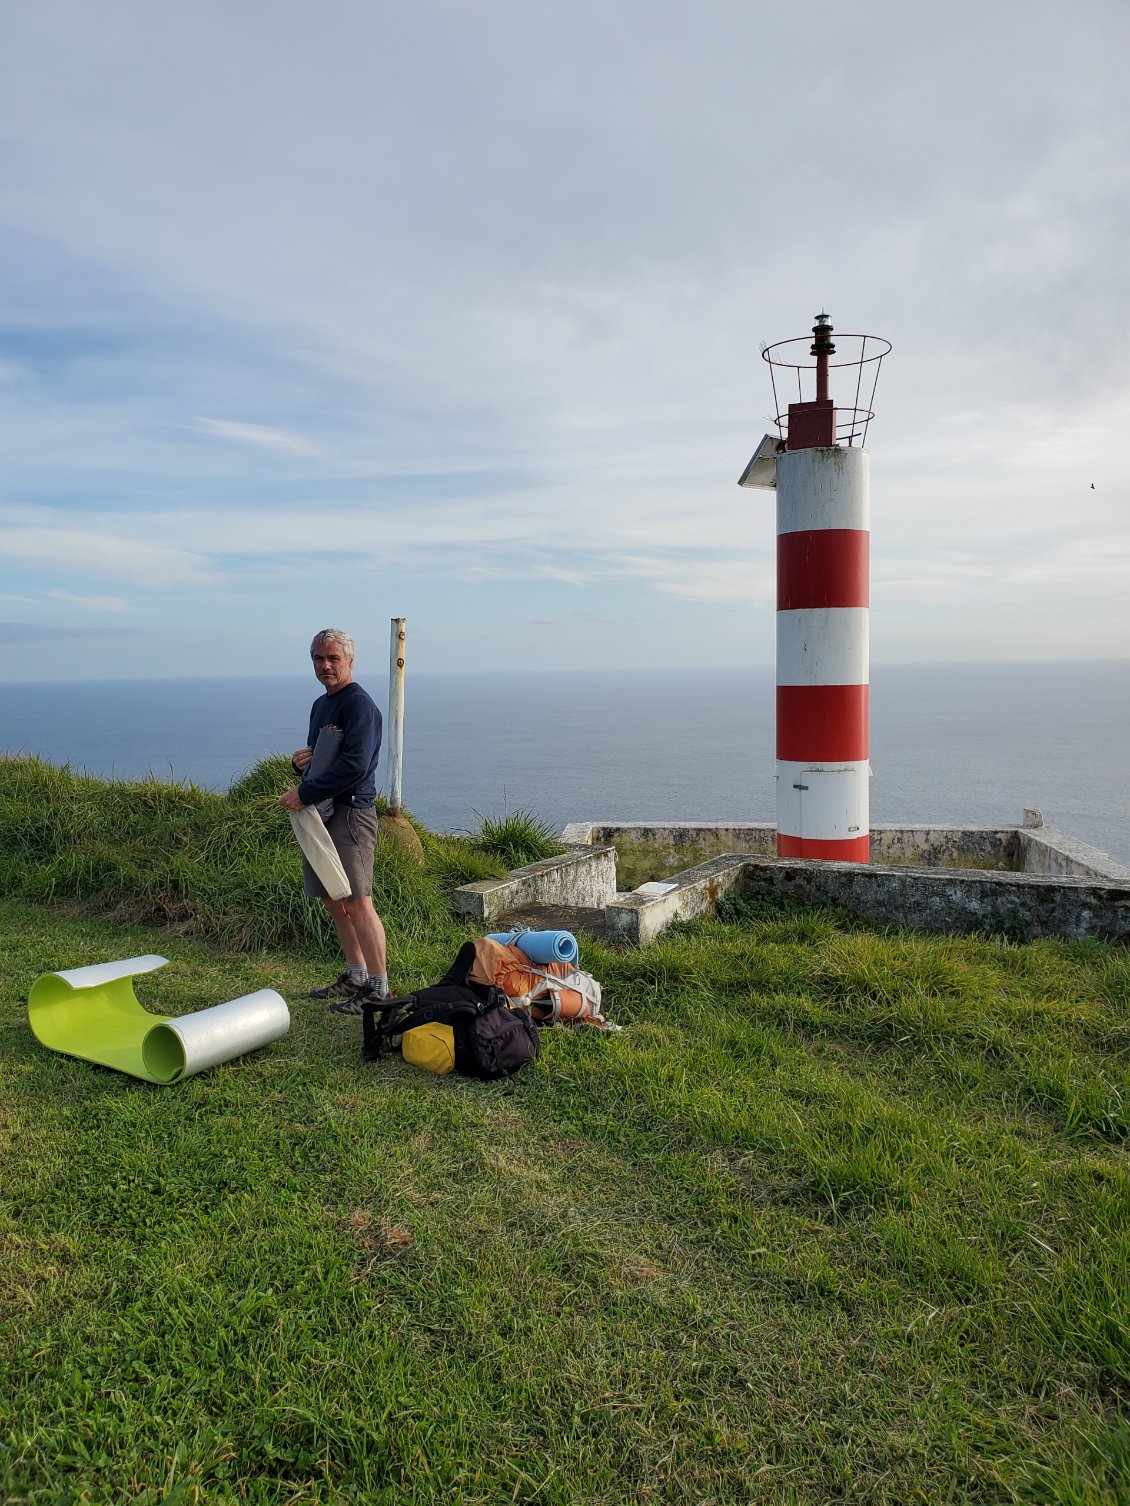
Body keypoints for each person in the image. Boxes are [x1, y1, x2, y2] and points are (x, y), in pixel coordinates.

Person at [279, 629, 389, 1013]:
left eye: (333, 659)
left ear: (350, 661)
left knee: (358, 901)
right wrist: (299, 764)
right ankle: (356, 975)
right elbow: (320, 758)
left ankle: (379, 989)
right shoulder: (320, 705)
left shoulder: (359, 705)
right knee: (332, 898)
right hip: (322, 813)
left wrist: (304, 794)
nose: (325, 665)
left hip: (352, 812)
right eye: (318, 659)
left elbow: (356, 765)